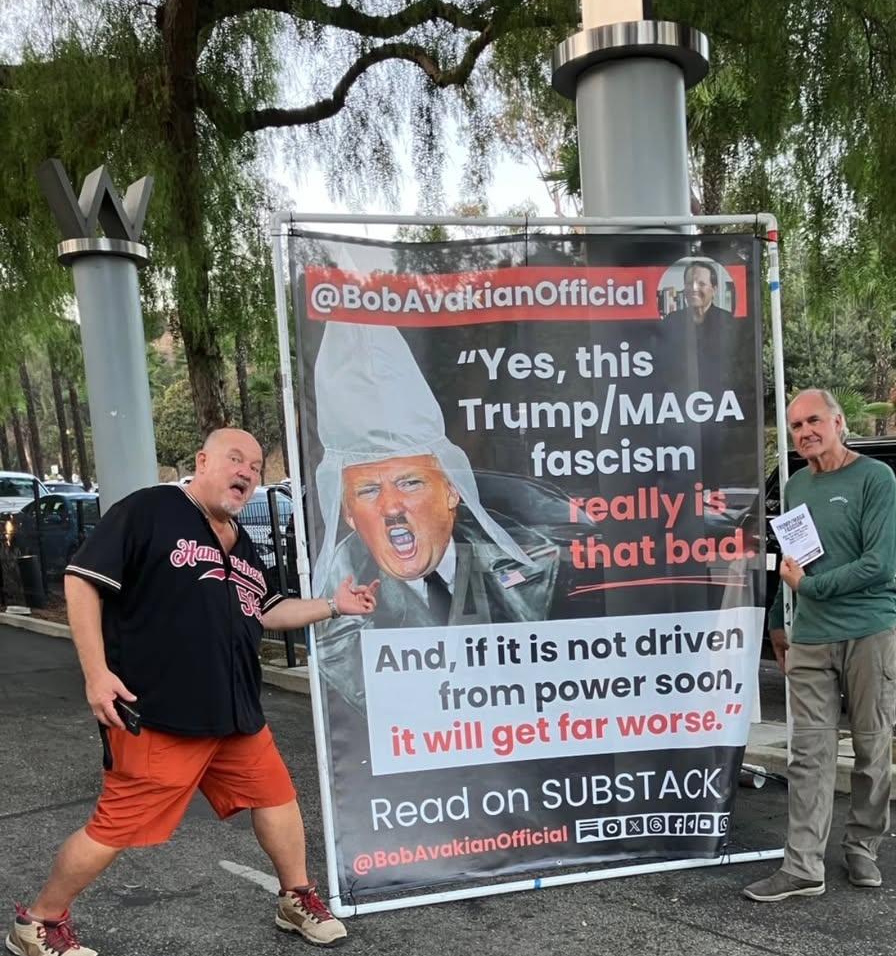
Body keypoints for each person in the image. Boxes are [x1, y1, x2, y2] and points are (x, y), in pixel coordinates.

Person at [7, 429, 378, 956]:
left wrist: (334, 605)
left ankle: (296, 898)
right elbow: (82, 579)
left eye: (254, 465)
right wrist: (95, 673)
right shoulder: (152, 509)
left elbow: (268, 610)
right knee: (115, 826)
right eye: (234, 459)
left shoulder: (242, 543)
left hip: (234, 712)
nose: (247, 472)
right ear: (202, 461)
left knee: (277, 799)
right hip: (159, 712)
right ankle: (38, 922)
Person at [309, 322, 558, 714]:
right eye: (369, 490)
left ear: (451, 490)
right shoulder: (332, 618)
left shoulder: (542, 559)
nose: (391, 507)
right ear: (348, 514)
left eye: (409, 482)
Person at [743, 389, 896, 902]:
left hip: (869, 632)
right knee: (808, 752)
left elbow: (877, 565)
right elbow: (791, 564)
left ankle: (863, 845)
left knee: (872, 745)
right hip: (810, 635)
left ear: (838, 421)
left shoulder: (874, 478)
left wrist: (809, 589)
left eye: (813, 420)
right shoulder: (793, 489)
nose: (805, 431)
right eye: (795, 426)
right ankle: (803, 865)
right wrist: (777, 623)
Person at [681, 260, 731, 324]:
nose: (694, 289)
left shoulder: (728, 321)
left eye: (702, 284)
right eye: (690, 283)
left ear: (714, 290)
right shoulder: (671, 320)